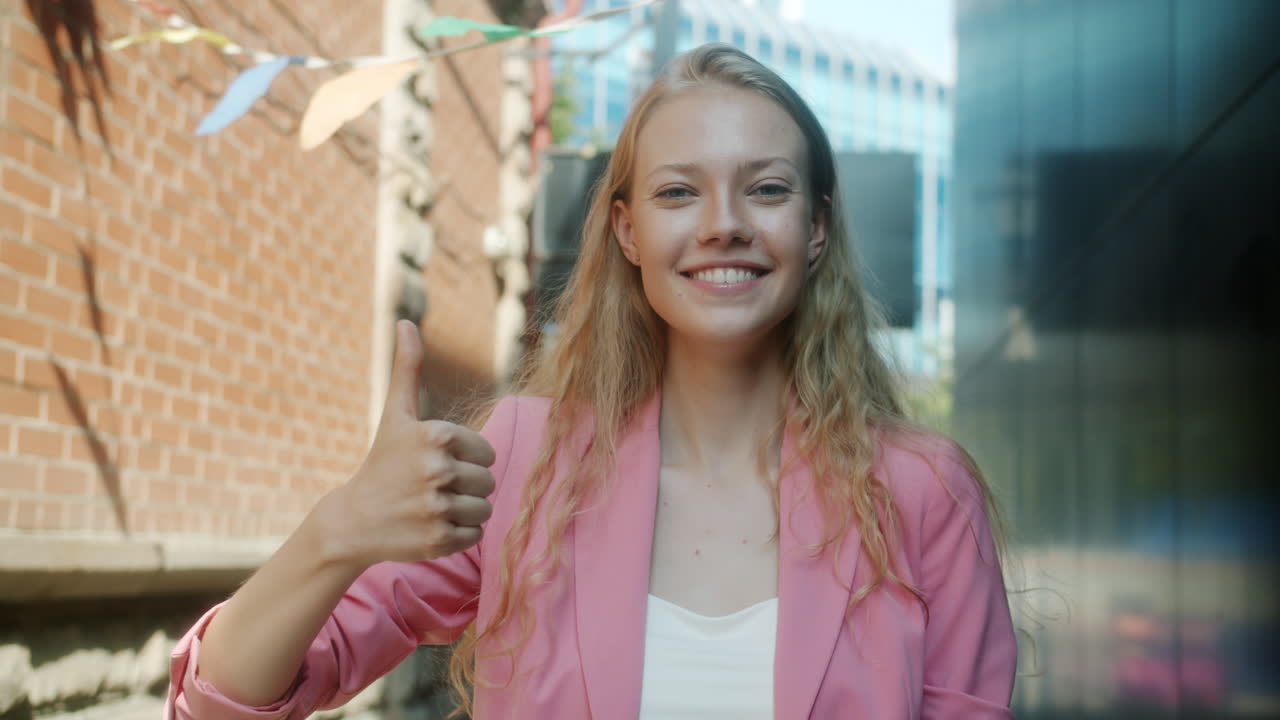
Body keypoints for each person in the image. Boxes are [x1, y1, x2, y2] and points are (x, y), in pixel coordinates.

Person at [164, 43, 1016, 720]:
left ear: (816, 226)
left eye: (765, 189)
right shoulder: (522, 459)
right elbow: (220, 707)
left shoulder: (922, 492)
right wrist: (337, 530)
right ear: (629, 230)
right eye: (678, 192)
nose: (723, 225)